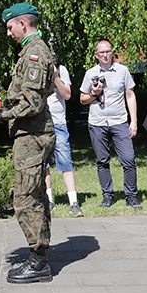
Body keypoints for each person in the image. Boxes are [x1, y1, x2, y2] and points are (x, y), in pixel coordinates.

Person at [0, 3, 57, 284]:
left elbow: (32, 102)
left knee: (25, 198)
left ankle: (38, 261)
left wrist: (1, 115)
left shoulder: (34, 53)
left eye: (10, 27)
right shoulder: (33, 50)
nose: (8, 33)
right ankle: (39, 254)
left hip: (33, 135)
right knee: (35, 195)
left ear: (23, 24)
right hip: (31, 133)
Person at [79, 39, 142, 210]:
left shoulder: (122, 71)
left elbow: (130, 95)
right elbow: (82, 99)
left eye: (108, 52)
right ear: (96, 55)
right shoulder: (90, 73)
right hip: (97, 122)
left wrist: (133, 121)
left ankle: (131, 196)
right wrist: (94, 93)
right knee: (102, 160)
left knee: (128, 159)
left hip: (119, 121)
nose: (105, 55)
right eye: (102, 52)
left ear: (112, 53)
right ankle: (107, 195)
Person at [45, 63, 83, 217]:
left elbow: (67, 95)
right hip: (40, 124)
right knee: (43, 164)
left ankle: (73, 202)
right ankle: (48, 200)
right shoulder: (35, 67)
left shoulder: (61, 70)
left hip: (58, 124)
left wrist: (55, 77)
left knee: (65, 161)